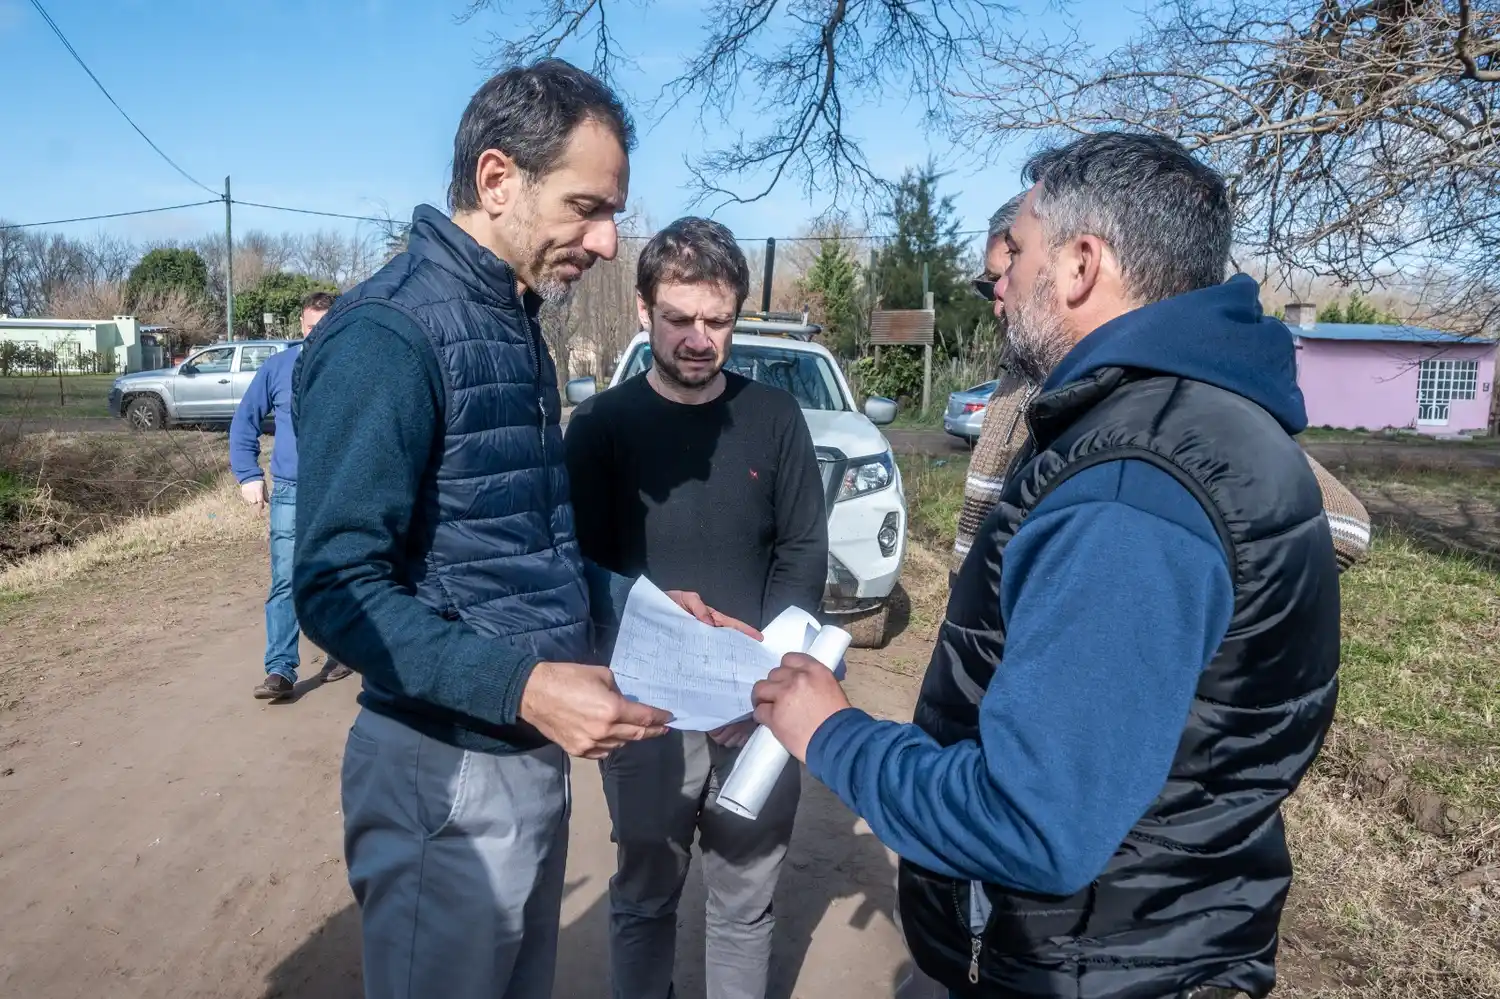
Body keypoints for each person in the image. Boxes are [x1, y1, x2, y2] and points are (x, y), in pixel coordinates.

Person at [754, 133, 1344, 999]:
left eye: (1018, 253)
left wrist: (833, 732)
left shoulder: (1130, 488)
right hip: (1143, 939)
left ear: (1079, 264)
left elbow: (1033, 818)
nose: (1005, 282)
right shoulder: (1204, 420)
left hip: (1095, 964)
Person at [291, 60, 746, 999]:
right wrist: (528, 685)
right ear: (498, 179)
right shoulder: (388, 335)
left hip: (522, 757)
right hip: (443, 779)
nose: (610, 240)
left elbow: (519, 547)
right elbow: (335, 589)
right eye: (587, 207)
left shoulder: (510, 322)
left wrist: (646, 610)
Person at [565, 217, 829, 999]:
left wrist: (765, 687)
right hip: (647, 713)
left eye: (717, 320)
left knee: (746, 902)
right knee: (646, 894)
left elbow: (802, 554)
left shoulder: (776, 418)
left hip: (759, 708)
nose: (698, 338)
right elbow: (579, 566)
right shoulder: (602, 428)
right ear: (642, 311)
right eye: (679, 318)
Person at [957, 199, 1373, 578]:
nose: (998, 296)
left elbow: (1344, 525)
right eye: (988, 283)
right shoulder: (1020, 377)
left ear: (1079, 269)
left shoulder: (1152, 392)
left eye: (1011, 271)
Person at [230, 290, 352, 700]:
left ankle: (343, 651)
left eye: (326, 327)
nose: (317, 336)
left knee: (343, 574)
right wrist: (248, 474)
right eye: (310, 328)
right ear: (301, 326)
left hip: (341, 489)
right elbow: (245, 420)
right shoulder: (279, 368)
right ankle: (280, 670)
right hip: (290, 489)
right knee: (286, 579)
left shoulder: (356, 366)